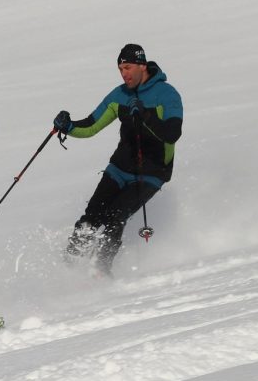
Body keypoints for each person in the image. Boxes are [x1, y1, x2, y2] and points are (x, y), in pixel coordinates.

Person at [53, 44, 183, 276]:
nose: (124, 74)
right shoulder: (119, 94)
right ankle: (67, 268)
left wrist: (144, 115)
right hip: (119, 168)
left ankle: (100, 272)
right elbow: (91, 125)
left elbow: (172, 133)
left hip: (151, 173)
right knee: (90, 219)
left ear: (142, 66)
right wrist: (69, 126)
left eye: (128, 67)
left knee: (115, 217)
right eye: (120, 69)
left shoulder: (167, 95)